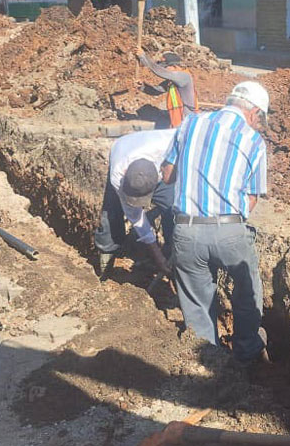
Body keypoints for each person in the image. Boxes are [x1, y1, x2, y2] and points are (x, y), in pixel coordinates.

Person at [161, 81, 271, 364]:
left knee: (197, 306)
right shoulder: (253, 140)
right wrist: (231, 226)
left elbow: (167, 175)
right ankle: (247, 354)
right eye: (260, 120)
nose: (258, 125)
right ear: (254, 112)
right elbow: (252, 198)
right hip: (230, 230)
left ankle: (209, 363)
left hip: (186, 230)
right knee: (247, 294)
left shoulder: (190, 123)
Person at [94, 129, 176, 280]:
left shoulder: (169, 144)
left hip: (157, 160)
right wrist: (158, 258)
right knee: (112, 210)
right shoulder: (118, 175)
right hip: (123, 146)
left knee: (172, 208)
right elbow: (137, 219)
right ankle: (107, 254)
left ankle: (173, 253)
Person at [137, 47, 198, 128]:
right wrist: (142, 87)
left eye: (166, 67)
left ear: (174, 66)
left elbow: (161, 72)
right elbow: (157, 90)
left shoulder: (184, 76)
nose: (165, 70)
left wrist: (143, 57)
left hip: (187, 118)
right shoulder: (172, 81)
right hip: (177, 117)